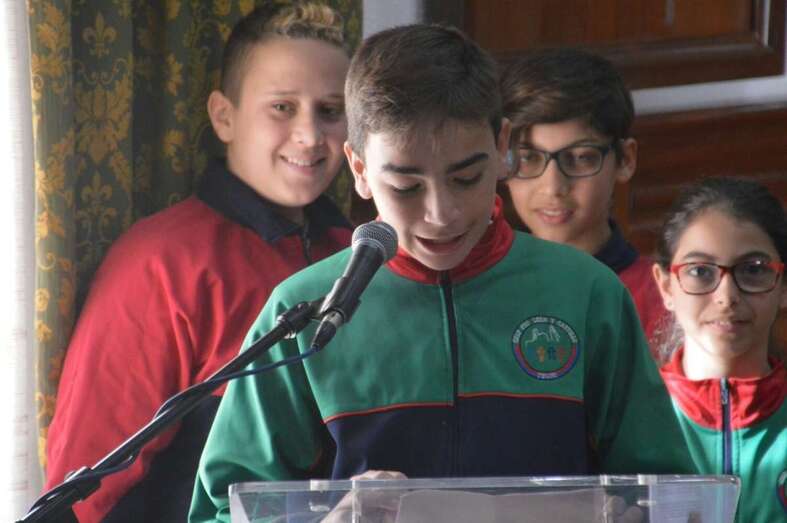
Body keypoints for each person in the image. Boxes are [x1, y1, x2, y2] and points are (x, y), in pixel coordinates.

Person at [190, 24, 678, 522]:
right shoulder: (306, 313)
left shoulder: (587, 292)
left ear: (502, 146)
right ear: (358, 168)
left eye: (466, 178)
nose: (441, 213)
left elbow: (672, 495)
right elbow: (222, 511)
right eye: (405, 185)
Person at [44, 3, 353, 521]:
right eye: (282, 107)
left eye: (329, 111)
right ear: (223, 116)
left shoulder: (357, 253)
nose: (309, 135)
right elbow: (86, 494)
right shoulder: (161, 264)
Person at [498, 48, 667, 357]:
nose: (553, 187)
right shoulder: (487, 291)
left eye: (580, 158)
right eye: (527, 158)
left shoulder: (665, 299)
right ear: (501, 161)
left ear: (625, 160)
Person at [652, 177, 787, 523]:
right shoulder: (632, 413)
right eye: (700, 271)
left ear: (783, 287)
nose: (726, 296)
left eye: (753, 270)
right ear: (666, 286)